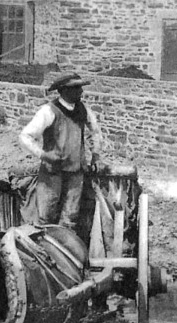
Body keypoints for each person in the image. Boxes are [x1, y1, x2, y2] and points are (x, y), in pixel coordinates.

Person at [19, 73, 102, 233]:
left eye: (81, 88)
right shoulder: (49, 111)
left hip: (76, 173)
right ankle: (44, 252)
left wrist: (96, 155)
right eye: (76, 88)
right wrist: (43, 155)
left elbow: (95, 132)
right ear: (64, 90)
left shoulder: (83, 110)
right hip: (52, 175)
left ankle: (66, 251)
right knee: (46, 217)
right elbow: (25, 136)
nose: (81, 92)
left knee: (70, 218)